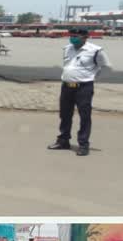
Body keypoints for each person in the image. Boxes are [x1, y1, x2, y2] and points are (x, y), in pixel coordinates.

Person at [47, 27, 111, 157]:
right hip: (66, 86)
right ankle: (63, 141)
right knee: (65, 115)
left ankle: (83, 144)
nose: (73, 38)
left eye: (76, 36)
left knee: (84, 116)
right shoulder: (67, 48)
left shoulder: (95, 50)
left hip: (83, 88)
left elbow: (106, 67)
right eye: (71, 35)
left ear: (85, 37)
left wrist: (92, 78)